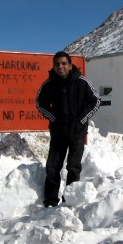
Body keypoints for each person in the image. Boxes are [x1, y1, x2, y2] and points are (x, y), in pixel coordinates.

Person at [36, 51, 100, 207]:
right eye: (57, 64)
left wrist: (81, 120)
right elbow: (39, 103)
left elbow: (96, 101)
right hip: (58, 133)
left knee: (73, 167)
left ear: (70, 65)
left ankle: (70, 200)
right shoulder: (49, 84)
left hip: (77, 133)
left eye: (64, 63)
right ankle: (51, 201)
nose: (60, 67)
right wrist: (53, 119)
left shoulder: (82, 82)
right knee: (53, 167)